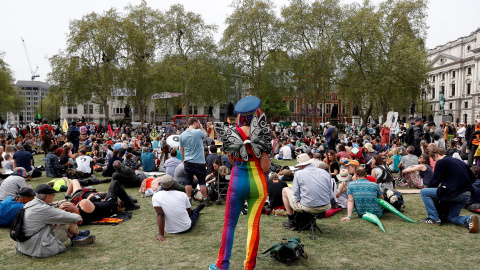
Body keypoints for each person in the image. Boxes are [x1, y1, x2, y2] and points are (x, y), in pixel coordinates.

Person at [210, 96, 272, 270]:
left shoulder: (232, 134)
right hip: (258, 182)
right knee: (253, 226)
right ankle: (249, 267)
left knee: (229, 225)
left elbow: (230, 159)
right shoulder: (263, 133)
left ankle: (222, 265)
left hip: (237, 181)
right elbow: (265, 166)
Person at [15, 184, 95, 258]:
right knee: (68, 220)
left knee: (58, 221)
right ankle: (77, 235)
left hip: (24, 246)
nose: (54, 196)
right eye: (53, 194)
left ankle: (76, 237)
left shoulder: (29, 204)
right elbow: (72, 217)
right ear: (48, 197)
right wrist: (77, 215)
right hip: (37, 249)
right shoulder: (43, 209)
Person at [419, 147, 478, 233]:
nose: (435, 162)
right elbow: (473, 178)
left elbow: (435, 181)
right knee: (451, 218)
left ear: (436, 155)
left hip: (455, 193)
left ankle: (433, 218)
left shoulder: (441, 162)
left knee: (424, 192)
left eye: (434, 160)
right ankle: (468, 219)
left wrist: (432, 189)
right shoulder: (460, 162)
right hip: (466, 194)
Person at [281, 154, 332, 230]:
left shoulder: (299, 174)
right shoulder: (324, 172)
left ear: (301, 166)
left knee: (285, 190)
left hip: (308, 206)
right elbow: (330, 191)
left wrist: (299, 201)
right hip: (326, 205)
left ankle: (291, 220)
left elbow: (295, 193)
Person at [60, 179, 140, 225]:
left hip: (107, 208)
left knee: (116, 195)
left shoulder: (78, 218)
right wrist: (90, 197)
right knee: (115, 183)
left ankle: (127, 201)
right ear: (72, 206)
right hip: (110, 205)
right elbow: (84, 202)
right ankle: (130, 205)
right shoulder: (83, 204)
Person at [152, 175, 205, 242]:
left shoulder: (156, 196)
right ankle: (197, 210)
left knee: (190, 213)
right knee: (194, 215)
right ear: (173, 184)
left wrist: (161, 234)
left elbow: (160, 214)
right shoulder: (182, 194)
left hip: (169, 230)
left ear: (161, 185)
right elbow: (188, 212)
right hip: (186, 227)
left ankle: (196, 210)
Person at [179, 117, 209, 204]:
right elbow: (206, 135)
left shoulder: (182, 134)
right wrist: (201, 127)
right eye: (198, 123)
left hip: (188, 161)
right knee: (202, 181)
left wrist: (183, 159)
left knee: (188, 181)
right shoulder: (199, 132)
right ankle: (205, 199)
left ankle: (188, 199)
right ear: (195, 123)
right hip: (199, 161)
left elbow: (181, 148)